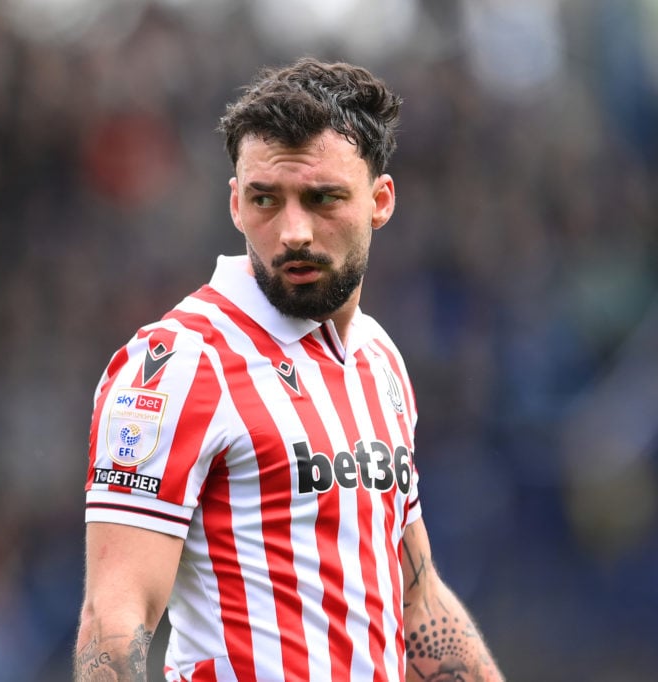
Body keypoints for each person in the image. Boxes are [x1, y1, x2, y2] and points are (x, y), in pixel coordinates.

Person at [75, 58, 504, 682]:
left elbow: (416, 597)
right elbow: (113, 620)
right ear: (235, 203)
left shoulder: (378, 359)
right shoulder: (175, 365)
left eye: (323, 198)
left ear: (380, 201)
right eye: (266, 200)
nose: (293, 231)